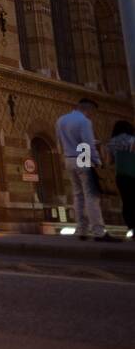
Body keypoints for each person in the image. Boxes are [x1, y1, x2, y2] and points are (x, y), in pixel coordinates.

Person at [56, 98, 116, 242]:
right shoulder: (84, 122)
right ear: (89, 109)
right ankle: (99, 231)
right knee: (92, 196)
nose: (92, 116)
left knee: (78, 195)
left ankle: (81, 229)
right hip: (82, 157)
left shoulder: (61, 120)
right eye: (92, 113)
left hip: (69, 158)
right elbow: (87, 144)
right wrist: (97, 162)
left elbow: (61, 140)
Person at [108, 120, 135, 237]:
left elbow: (110, 161)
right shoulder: (132, 139)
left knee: (127, 201)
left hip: (121, 176)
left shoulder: (112, 142)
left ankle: (133, 227)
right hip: (133, 174)